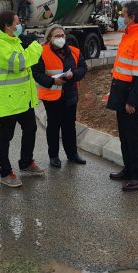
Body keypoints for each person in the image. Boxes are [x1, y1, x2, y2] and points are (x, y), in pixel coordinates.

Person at [0, 11, 45, 188]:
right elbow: (19, 63)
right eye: (17, 23)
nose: (19, 26)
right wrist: (35, 46)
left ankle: (26, 162)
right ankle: (5, 172)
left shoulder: (13, 41)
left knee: (30, 129)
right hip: (9, 100)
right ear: (7, 26)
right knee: (6, 136)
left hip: (23, 99)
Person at [106, 0, 138, 192]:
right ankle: (128, 169)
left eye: (123, 15)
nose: (120, 18)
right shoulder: (128, 36)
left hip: (132, 95)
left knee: (135, 137)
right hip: (122, 91)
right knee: (125, 136)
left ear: (131, 17)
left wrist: (132, 101)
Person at [33, 24, 88, 168]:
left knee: (69, 126)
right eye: (57, 36)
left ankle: (72, 154)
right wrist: (52, 81)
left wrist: (73, 74)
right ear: (49, 38)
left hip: (70, 95)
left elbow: (83, 68)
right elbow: (37, 74)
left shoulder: (74, 52)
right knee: (53, 126)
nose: (60, 38)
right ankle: (54, 156)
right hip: (51, 96)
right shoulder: (42, 52)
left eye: (62, 35)